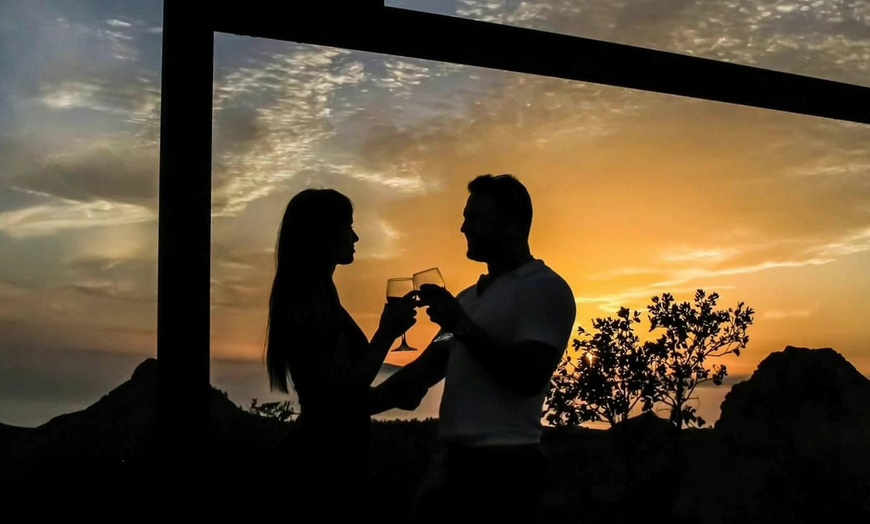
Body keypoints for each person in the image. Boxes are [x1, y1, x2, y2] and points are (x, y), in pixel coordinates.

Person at [369, 174, 577, 522]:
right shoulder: (468, 299)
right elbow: (422, 373)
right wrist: (350, 408)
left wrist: (461, 326)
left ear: (511, 224)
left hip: (505, 471)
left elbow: (527, 377)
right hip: (451, 467)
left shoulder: (546, 290)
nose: (463, 228)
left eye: (474, 217)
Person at [265, 188, 417, 516]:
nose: (356, 236)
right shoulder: (308, 300)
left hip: (330, 461)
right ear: (324, 234)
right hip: (320, 469)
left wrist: (393, 394)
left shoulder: (319, 294)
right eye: (348, 226)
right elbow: (338, 395)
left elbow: (341, 391)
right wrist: (388, 333)